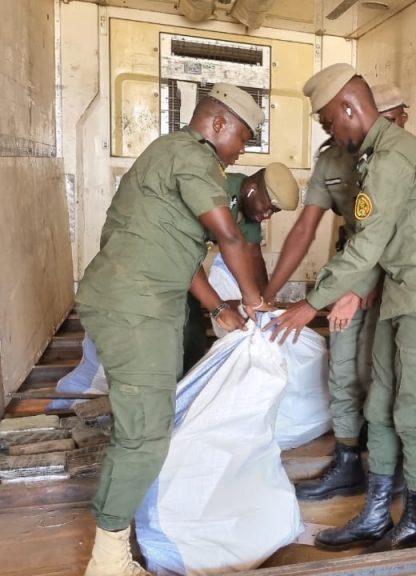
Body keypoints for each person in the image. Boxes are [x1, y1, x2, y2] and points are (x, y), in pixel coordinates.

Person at [268, 63, 416, 553]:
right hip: (399, 289)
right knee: (379, 402)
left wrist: (308, 305)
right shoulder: (368, 156)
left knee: (412, 411)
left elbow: (365, 245)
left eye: (327, 122)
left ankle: (415, 522)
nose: (329, 133)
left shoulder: (394, 156)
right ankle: (377, 513)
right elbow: (365, 241)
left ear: (348, 108)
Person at [75, 83, 273, 576]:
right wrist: (254, 301)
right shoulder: (192, 156)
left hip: (144, 303)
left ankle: (121, 537)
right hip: (135, 308)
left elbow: (179, 257)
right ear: (219, 124)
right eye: (244, 137)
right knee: (145, 434)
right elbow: (227, 234)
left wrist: (216, 310)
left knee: (145, 424)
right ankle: (108, 562)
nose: (243, 149)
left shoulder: (172, 155)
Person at [261, 112, 379, 501]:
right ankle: (348, 463)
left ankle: (385, 470)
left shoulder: (403, 157)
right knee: (343, 366)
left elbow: (398, 234)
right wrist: (269, 293)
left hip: (396, 278)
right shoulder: (332, 160)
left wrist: (358, 289)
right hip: (350, 270)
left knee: (380, 375)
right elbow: (304, 228)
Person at [182, 163, 299, 373]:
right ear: (252, 187)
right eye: (267, 207)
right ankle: (178, 393)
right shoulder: (219, 191)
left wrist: (265, 302)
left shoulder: (248, 210)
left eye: (273, 212)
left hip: (185, 265)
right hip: (165, 263)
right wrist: (218, 307)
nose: (267, 216)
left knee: (195, 332)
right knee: (187, 331)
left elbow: (253, 255)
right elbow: (183, 256)